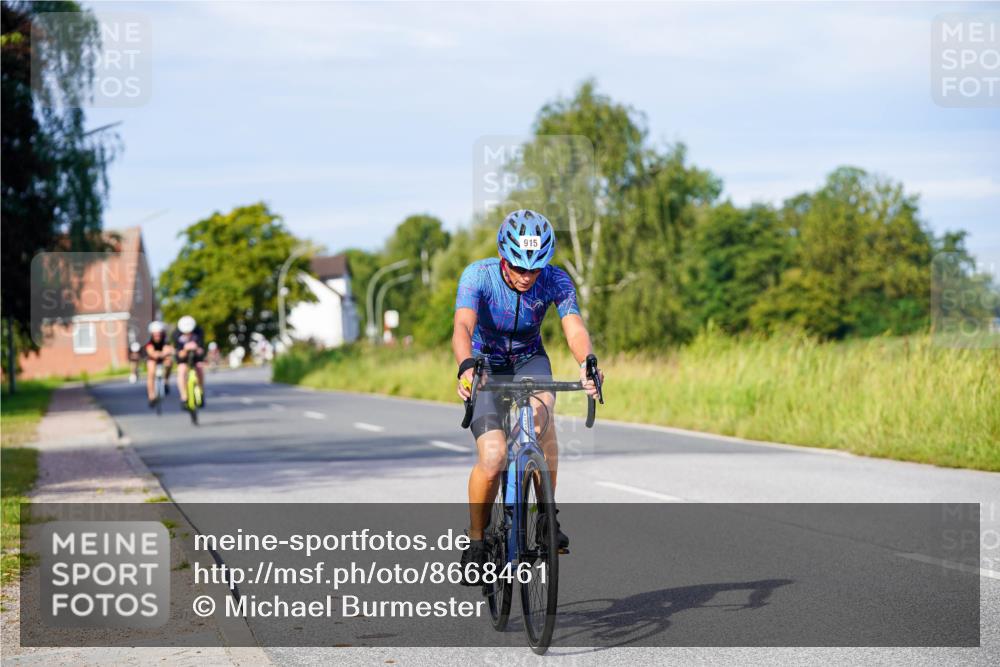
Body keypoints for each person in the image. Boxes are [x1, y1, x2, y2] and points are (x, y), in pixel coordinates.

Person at [452, 209, 604, 584]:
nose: (526, 276)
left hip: (528, 359)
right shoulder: (478, 275)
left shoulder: (555, 280)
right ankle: (476, 542)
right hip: (484, 363)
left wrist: (587, 362)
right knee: (493, 456)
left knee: (540, 417)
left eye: (534, 269)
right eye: (519, 267)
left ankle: (546, 517)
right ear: (504, 257)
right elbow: (462, 325)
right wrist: (466, 365)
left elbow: (574, 330)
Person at [173, 315, 206, 408]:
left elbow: (201, 350)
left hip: (196, 356)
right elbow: (179, 354)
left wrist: (196, 348)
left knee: (200, 368)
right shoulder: (176, 334)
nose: (188, 334)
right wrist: (186, 349)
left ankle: (201, 391)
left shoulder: (199, 331)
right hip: (183, 357)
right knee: (182, 370)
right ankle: (184, 397)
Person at [144, 321, 174, 407]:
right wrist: (158, 353)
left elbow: (169, 349)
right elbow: (151, 352)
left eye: (159, 334)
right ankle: (151, 396)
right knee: (151, 372)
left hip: (163, 356)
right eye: (155, 334)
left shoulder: (165, 339)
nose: (157, 336)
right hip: (153, 358)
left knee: (169, 363)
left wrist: (163, 353)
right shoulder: (149, 341)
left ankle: (166, 381)